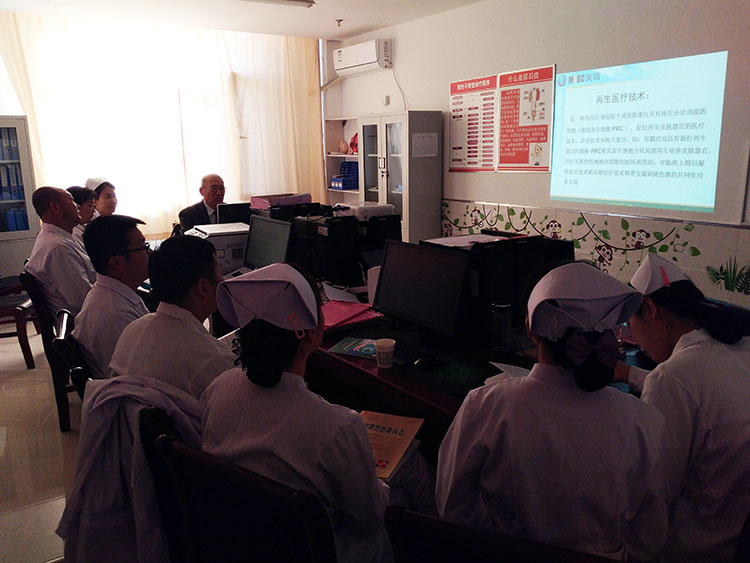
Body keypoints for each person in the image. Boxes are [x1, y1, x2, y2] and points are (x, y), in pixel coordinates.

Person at [436, 262, 668, 560]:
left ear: (530, 329)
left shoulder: (486, 406)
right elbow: (650, 537)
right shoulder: (643, 421)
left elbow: (452, 507)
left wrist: (498, 537)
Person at [201, 263, 392, 563]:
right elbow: (368, 520)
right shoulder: (338, 427)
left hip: (238, 544)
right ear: (313, 332)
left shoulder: (218, 389)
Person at [618, 254, 750, 562]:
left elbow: (655, 498)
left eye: (629, 324)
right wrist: (629, 374)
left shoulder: (672, 378)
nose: (631, 337)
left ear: (649, 309)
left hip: (697, 548)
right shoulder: (738, 346)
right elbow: (699, 394)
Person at [109, 235, 235, 397]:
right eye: (220, 273)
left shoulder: (133, 329)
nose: (223, 280)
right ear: (203, 287)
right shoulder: (213, 360)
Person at [71, 215, 151, 379]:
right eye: (143, 247)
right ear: (117, 263)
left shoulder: (115, 292)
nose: (149, 253)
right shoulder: (115, 315)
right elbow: (136, 378)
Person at [25, 187, 97, 317]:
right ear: (55, 207)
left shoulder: (62, 238)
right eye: (72, 200)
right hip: (84, 320)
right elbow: (82, 298)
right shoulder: (58, 247)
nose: (77, 206)